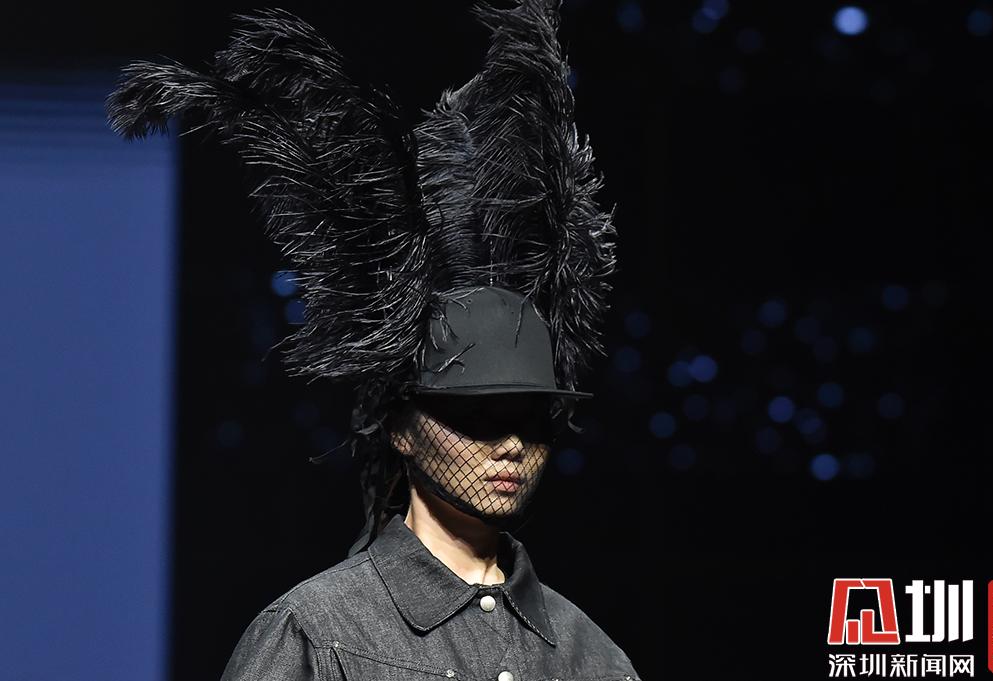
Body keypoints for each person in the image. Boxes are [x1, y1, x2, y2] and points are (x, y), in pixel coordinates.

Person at [107, 1, 641, 679]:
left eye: (532, 417)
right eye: (475, 415)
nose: (510, 443)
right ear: (400, 427)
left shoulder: (594, 659)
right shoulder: (315, 633)